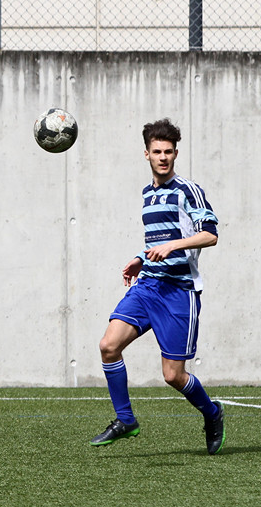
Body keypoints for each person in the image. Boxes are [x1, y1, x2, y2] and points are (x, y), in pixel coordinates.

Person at [90, 118, 226, 454]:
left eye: (168, 151)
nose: (162, 157)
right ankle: (126, 420)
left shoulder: (187, 190)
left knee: (173, 376)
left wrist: (173, 246)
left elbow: (210, 234)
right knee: (108, 346)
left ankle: (212, 413)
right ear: (146, 154)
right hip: (148, 286)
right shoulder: (147, 194)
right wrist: (141, 257)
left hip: (179, 291)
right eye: (156, 152)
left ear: (175, 153)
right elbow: (158, 238)